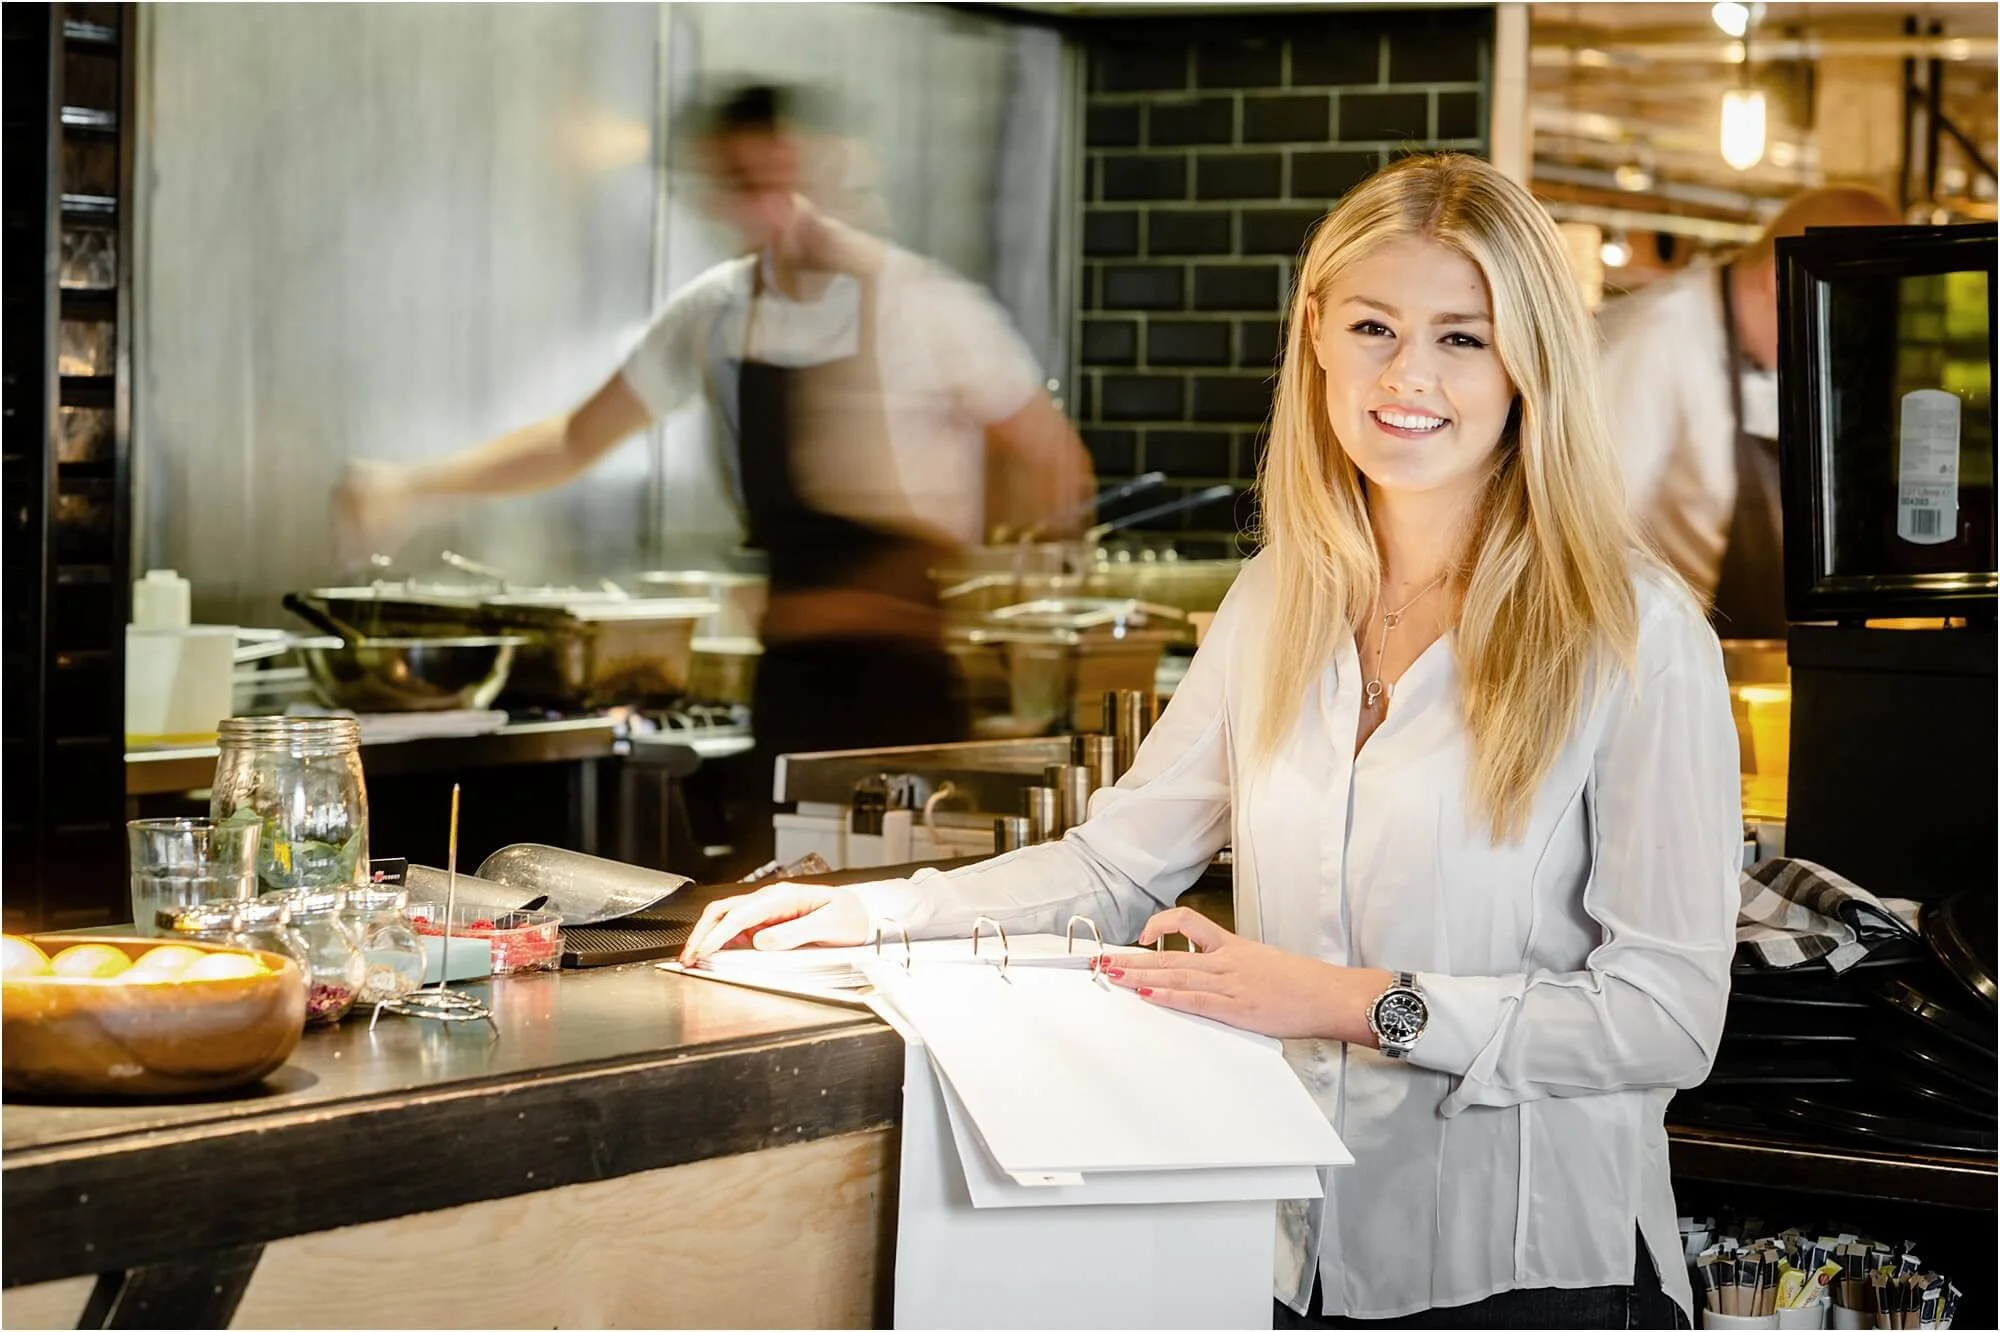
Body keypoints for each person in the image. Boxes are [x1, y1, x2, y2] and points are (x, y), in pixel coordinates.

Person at [680, 153, 1742, 1329]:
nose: (1406, 376)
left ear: (1527, 362)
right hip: (1283, 1250)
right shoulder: (1276, 598)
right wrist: (877, 911)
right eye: (1375, 326)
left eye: (1461, 338)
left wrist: (1347, 1001)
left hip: (1531, 1270)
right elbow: (1114, 868)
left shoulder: (1634, 633)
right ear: (1317, 337)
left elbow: (1665, 1016)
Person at [334, 82, 1094, 863]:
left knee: (914, 925)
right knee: (779, 925)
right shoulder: (718, 312)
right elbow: (573, 439)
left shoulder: (921, 304)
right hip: (792, 688)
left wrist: (994, 598)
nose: (764, 200)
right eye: (738, 181)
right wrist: (414, 486)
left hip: (900, 693)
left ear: (820, 169)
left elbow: (1054, 464)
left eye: (776, 174)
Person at [1599, 187, 1900, 639]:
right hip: (1656, 658)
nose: (1846, 348)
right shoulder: (1650, 341)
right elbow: (1586, 542)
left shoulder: (1777, 352)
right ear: (1779, 281)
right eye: (1846, 321)